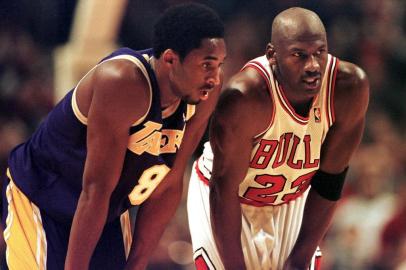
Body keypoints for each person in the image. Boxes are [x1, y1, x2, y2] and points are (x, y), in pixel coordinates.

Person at [1, 3, 226, 270]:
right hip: (44, 196)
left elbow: (169, 183)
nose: (215, 77)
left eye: (219, 65)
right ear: (169, 59)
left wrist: (137, 262)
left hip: (104, 210)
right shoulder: (123, 82)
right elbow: (95, 189)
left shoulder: (203, 93)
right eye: (206, 65)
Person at [187, 7, 369, 270]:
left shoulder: (349, 87)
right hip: (228, 198)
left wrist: (300, 257)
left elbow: (330, 181)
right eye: (299, 55)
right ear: (272, 55)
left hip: (291, 198)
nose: (313, 66)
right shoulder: (245, 97)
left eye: (320, 52)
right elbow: (223, 189)